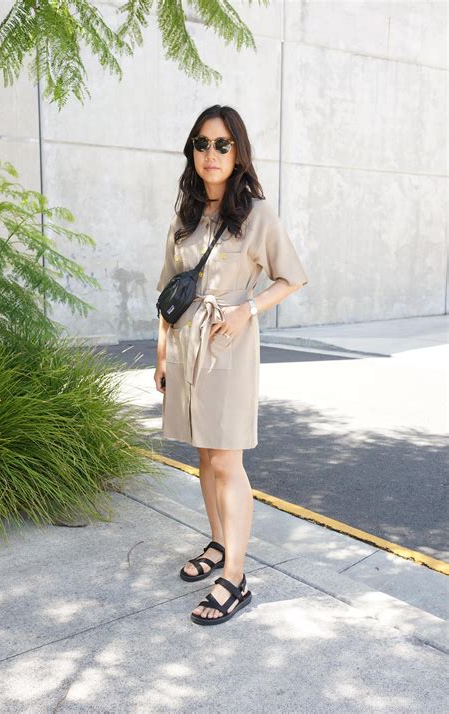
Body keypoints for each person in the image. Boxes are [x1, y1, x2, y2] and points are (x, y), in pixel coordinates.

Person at [154, 105, 309, 625]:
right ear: (192, 152)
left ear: (238, 152)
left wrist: (249, 310)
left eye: (222, 144)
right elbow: (168, 293)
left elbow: (292, 277)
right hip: (186, 345)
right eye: (202, 143)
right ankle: (219, 543)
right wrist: (162, 354)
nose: (211, 153)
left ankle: (236, 578)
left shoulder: (256, 214)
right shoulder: (185, 216)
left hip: (228, 344)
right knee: (204, 453)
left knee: (227, 460)